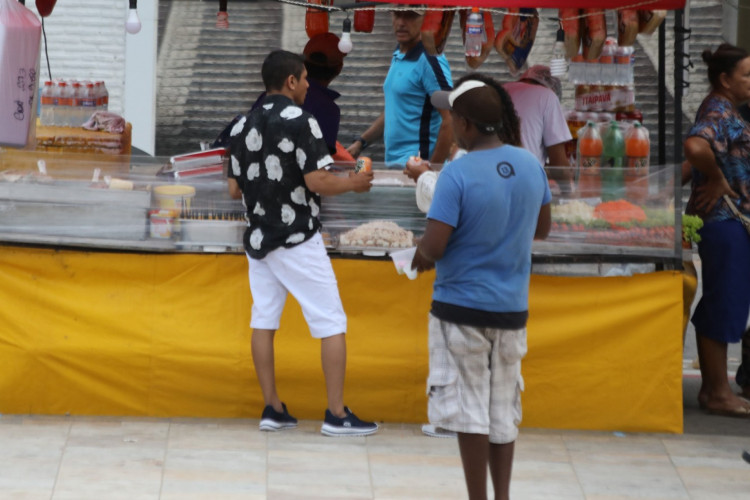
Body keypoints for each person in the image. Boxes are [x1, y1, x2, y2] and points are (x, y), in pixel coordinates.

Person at [410, 74, 551, 500]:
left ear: (466, 125)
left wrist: (418, 257)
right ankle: (502, 495)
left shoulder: (457, 173)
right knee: (503, 409)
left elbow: (434, 245)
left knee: (469, 411)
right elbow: (541, 228)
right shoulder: (530, 164)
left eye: (451, 118)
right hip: (512, 309)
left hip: (461, 309)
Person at [227, 49, 378, 436]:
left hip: (259, 239)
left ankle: (273, 408)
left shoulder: (241, 125)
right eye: (306, 79)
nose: (309, 86)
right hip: (297, 237)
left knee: (264, 319)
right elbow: (317, 181)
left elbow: (232, 189)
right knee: (330, 320)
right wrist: (354, 183)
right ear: (291, 81)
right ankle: (336, 413)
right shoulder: (303, 121)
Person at [683, 43, 750, 418]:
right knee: (725, 303)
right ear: (725, 80)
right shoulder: (719, 109)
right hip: (726, 221)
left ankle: (715, 389)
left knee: (727, 302)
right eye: (747, 75)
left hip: (731, 223)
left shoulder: (726, 109)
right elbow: (695, 146)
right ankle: (717, 392)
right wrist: (717, 177)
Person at [215, 33, 353, 161]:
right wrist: (356, 172)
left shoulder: (265, 103)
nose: (307, 86)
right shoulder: (320, 112)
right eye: (303, 79)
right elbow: (318, 167)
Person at [346, 7, 453, 168]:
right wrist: (361, 142)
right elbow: (395, 108)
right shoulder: (399, 52)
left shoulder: (430, 59)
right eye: (397, 14)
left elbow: (451, 118)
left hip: (417, 167)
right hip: (396, 166)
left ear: (426, 19)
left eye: (410, 16)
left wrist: (431, 171)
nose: (401, 23)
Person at [503, 65, 574, 195]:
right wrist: (569, 193)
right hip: (523, 187)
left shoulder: (501, 90)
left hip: (492, 179)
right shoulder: (548, 96)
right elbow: (559, 167)